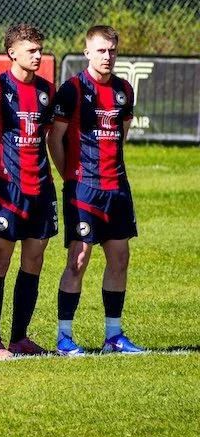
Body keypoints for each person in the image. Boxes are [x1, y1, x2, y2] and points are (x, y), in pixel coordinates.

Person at [47, 25, 144, 355]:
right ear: (87, 52)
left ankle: (113, 336)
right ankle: (64, 338)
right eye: (101, 50)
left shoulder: (124, 91)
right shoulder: (72, 89)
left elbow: (122, 133)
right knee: (79, 258)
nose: (108, 56)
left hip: (116, 186)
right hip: (83, 189)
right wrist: (70, 178)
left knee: (120, 258)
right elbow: (54, 140)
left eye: (113, 50)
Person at [0, 24, 56, 358]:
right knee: (0, 262)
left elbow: (48, 138)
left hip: (41, 189)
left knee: (34, 259)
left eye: (40, 50)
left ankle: (20, 337)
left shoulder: (47, 91)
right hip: (8, 192)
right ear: (12, 52)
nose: (38, 55)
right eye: (32, 50)